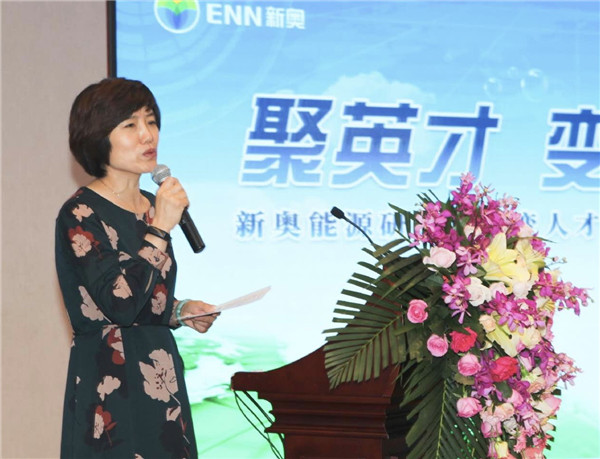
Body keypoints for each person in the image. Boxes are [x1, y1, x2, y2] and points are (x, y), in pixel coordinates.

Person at [55, 77, 218, 458]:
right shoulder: (80, 213)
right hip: (110, 381)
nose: (148, 135)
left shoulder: (152, 205)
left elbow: (145, 296)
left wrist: (179, 310)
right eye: (130, 125)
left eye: (151, 121)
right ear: (98, 137)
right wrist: (159, 229)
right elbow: (119, 304)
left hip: (160, 373)